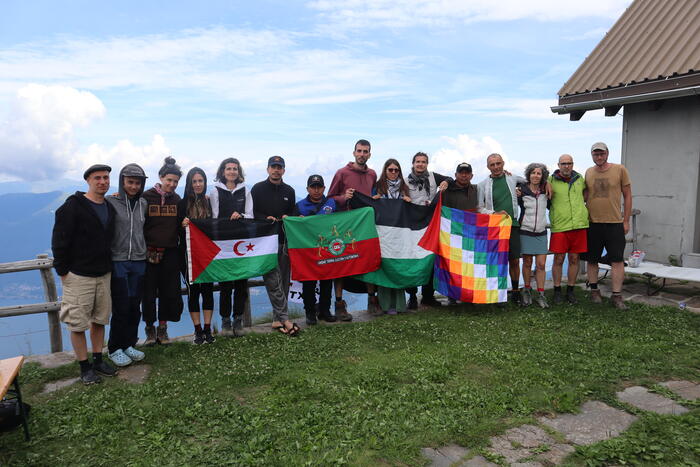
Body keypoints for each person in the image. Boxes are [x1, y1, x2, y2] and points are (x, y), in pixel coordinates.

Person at [51, 164, 117, 384]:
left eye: (106, 178)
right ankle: (84, 366)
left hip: (103, 273)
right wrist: (63, 271)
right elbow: (60, 241)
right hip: (79, 275)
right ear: (88, 181)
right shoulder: (72, 207)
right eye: (97, 178)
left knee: (99, 320)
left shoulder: (109, 207)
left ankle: (98, 360)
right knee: (77, 324)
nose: (102, 182)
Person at [327, 139, 379, 318]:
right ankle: (340, 304)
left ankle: (372, 301)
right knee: (341, 262)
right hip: (346, 225)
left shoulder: (372, 174)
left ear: (369, 154)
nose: (362, 154)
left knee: (368, 260)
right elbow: (330, 198)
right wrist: (343, 197)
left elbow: (372, 195)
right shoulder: (342, 173)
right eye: (359, 151)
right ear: (354, 152)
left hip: (365, 226)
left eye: (366, 151)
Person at [251, 155, 299, 336]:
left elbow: (293, 211)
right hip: (264, 243)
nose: (276, 170)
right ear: (267, 169)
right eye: (273, 166)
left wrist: (290, 217)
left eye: (279, 167)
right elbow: (251, 212)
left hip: (283, 241)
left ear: (284, 170)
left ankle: (276, 319)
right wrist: (264, 219)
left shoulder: (290, 190)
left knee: (284, 281)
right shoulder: (257, 189)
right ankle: (284, 319)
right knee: (272, 281)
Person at [105, 164, 148, 367]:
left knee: (134, 306)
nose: (133, 186)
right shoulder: (110, 202)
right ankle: (114, 348)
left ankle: (129, 343)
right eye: (130, 182)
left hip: (139, 260)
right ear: (122, 182)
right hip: (118, 260)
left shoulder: (143, 204)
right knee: (121, 306)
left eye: (137, 183)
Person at [585, 142, 632, 310]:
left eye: (601, 154)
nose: (599, 157)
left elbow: (627, 196)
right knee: (592, 259)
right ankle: (594, 290)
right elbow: (585, 195)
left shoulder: (620, 170)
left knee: (617, 260)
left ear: (607, 154)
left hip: (614, 223)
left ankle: (617, 295)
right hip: (593, 223)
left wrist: (625, 220)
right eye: (596, 154)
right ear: (592, 155)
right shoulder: (589, 172)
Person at [209, 157, 253, 337]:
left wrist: (240, 214)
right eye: (229, 169)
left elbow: (250, 215)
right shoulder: (215, 192)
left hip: (241, 243)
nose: (232, 172)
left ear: (239, 172)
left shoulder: (246, 191)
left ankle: (238, 320)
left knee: (241, 283)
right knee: (225, 283)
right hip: (224, 243)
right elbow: (213, 217)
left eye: (235, 169)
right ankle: (225, 321)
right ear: (223, 171)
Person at [142, 157, 184, 344]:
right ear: (160, 177)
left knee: (169, 292)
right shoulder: (146, 197)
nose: (172, 184)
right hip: (148, 252)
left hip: (170, 253)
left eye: (175, 181)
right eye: (169, 180)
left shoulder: (177, 200)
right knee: (148, 293)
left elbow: (182, 223)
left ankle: (163, 329)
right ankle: (150, 330)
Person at [477, 154, 525, 305]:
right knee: (496, 262)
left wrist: (522, 191)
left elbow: (531, 182)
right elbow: (479, 207)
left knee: (514, 260)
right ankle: (497, 293)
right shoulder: (482, 185)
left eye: (498, 163)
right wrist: (494, 213)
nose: (496, 167)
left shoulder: (513, 178)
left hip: (513, 225)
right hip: (494, 228)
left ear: (503, 163)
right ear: (488, 167)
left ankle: (516, 291)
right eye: (493, 165)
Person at [405, 152, 450, 309]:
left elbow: (449, 178)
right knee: (413, 260)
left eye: (423, 162)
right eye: (418, 161)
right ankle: (411, 296)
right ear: (413, 163)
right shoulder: (405, 181)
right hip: (412, 226)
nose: (420, 164)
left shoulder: (432, 176)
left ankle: (427, 296)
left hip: (430, 225)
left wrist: (444, 183)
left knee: (430, 259)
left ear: (427, 164)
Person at [294, 174, 338, 324]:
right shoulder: (299, 206)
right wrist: (296, 220)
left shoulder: (331, 203)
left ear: (324, 188)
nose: (316, 190)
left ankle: (325, 311)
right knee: (309, 282)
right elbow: (292, 226)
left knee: (327, 280)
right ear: (307, 189)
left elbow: (339, 223)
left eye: (319, 187)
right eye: (313, 187)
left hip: (327, 248)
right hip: (307, 250)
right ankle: (310, 313)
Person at [179, 167, 216, 345]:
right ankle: (197, 330)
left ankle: (208, 329)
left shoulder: (209, 203)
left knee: (208, 291)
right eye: (194, 181)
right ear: (189, 183)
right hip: (188, 257)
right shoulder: (182, 203)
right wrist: (182, 224)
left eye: (200, 181)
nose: (198, 184)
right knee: (193, 292)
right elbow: (174, 228)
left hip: (207, 254)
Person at [371, 159, 411, 315]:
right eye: (390, 169)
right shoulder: (378, 187)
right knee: (385, 266)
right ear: (385, 170)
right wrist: (374, 200)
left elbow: (410, 211)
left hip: (399, 234)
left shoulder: (404, 188)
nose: (393, 172)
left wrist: (409, 201)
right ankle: (385, 305)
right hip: (383, 233)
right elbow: (371, 207)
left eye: (396, 170)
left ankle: (400, 305)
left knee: (397, 266)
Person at [548, 154, 588, 304]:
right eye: (563, 163)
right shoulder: (550, 180)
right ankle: (557, 290)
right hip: (560, 225)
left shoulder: (580, 179)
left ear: (573, 164)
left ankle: (570, 290)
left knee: (574, 258)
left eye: (569, 163)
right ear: (558, 165)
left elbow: (586, 194)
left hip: (579, 224)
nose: (566, 166)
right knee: (558, 259)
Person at [517, 163, 550, 308]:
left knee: (541, 264)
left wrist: (548, 183)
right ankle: (527, 290)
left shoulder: (546, 191)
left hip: (541, 232)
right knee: (527, 263)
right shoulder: (521, 191)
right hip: (525, 230)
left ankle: (541, 294)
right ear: (528, 175)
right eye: (533, 173)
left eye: (539, 173)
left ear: (542, 176)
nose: (536, 176)